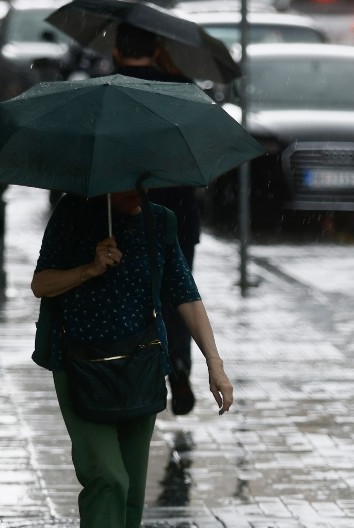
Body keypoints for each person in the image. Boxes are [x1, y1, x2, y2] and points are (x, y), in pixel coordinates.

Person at [31, 190, 233, 528]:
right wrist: (90, 268)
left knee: (131, 493)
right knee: (108, 479)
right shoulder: (73, 212)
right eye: (127, 184)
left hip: (141, 366)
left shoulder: (160, 221)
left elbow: (185, 294)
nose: (137, 192)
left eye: (142, 182)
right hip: (80, 367)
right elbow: (41, 284)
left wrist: (216, 364)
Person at [112, 22, 203, 416]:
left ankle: (137, 371)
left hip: (125, 212)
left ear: (116, 50)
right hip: (178, 214)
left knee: (128, 298)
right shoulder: (179, 91)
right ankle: (178, 364)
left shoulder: (107, 92)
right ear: (156, 48)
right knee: (177, 295)